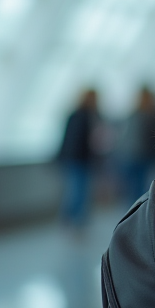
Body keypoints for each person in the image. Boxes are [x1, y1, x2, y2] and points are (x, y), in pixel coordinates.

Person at [57, 89, 99, 229]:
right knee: (78, 191)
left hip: (74, 158)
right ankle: (74, 220)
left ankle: (75, 220)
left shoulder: (75, 115)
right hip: (79, 158)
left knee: (77, 190)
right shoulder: (86, 116)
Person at [118, 86, 155, 202]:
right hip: (144, 155)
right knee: (142, 186)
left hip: (129, 154)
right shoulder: (152, 115)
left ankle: (131, 212)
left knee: (131, 187)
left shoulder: (133, 114)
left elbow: (125, 136)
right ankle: (139, 211)